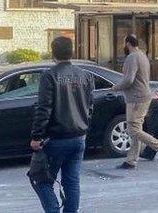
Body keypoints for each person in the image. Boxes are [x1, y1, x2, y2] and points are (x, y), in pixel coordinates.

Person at [30, 36, 95, 213]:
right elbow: (90, 106)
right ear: (72, 52)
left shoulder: (49, 76)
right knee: (72, 182)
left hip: (56, 138)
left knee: (41, 180)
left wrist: (36, 136)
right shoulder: (86, 75)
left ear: (53, 53)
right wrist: (85, 128)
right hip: (79, 137)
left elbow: (44, 108)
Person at [112, 34, 158, 168]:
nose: (123, 46)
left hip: (136, 98)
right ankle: (131, 160)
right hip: (142, 97)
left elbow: (129, 80)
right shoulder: (142, 56)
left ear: (128, 44)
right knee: (136, 128)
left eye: (124, 43)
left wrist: (116, 87)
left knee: (133, 130)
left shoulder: (132, 57)